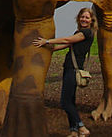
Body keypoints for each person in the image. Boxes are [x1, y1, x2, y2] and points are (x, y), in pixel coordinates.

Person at [33, 7, 96, 137]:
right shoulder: (79, 32)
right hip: (69, 68)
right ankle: (73, 131)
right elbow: (65, 45)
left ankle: (81, 127)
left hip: (73, 70)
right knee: (70, 101)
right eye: (82, 17)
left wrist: (47, 40)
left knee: (65, 102)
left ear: (91, 20)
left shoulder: (86, 33)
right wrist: (48, 48)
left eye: (87, 17)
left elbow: (67, 40)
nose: (84, 19)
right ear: (79, 18)